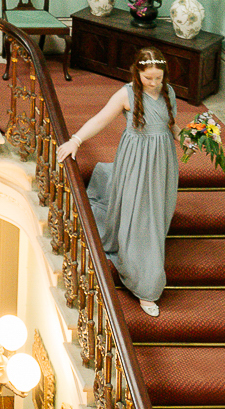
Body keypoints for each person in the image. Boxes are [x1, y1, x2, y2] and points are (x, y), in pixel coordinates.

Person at [53, 48, 178, 317]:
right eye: (149, 78)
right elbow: (100, 119)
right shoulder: (126, 94)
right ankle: (146, 283)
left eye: (158, 78)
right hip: (136, 159)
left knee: (157, 211)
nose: (154, 83)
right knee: (141, 217)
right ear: (138, 73)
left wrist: (190, 138)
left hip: (163, 162)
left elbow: (171, 125)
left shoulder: (169, 92)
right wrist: (75, 140)